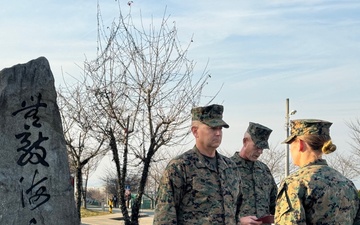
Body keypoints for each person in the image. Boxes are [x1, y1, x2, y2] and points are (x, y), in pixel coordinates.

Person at [153, 104, 242, 225]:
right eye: (212, 128)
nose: (218, 133)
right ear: (195, 131)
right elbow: (164, 218)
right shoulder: (180, 167)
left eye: (220, 128)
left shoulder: (230, 168)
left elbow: (237, 212)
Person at [275, 119, 360, 224]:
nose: (291, 150)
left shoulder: (295, 182)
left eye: (291, 144)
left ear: (300, 144)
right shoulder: (347, 184)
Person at [231, 122, 277, 225]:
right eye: (257, 147)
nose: (260, 151)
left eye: (263, 148)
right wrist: (239, 221)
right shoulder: (227, 168)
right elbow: (217, 209)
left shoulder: (264, 170)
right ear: (245, 142)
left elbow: (275, 204)